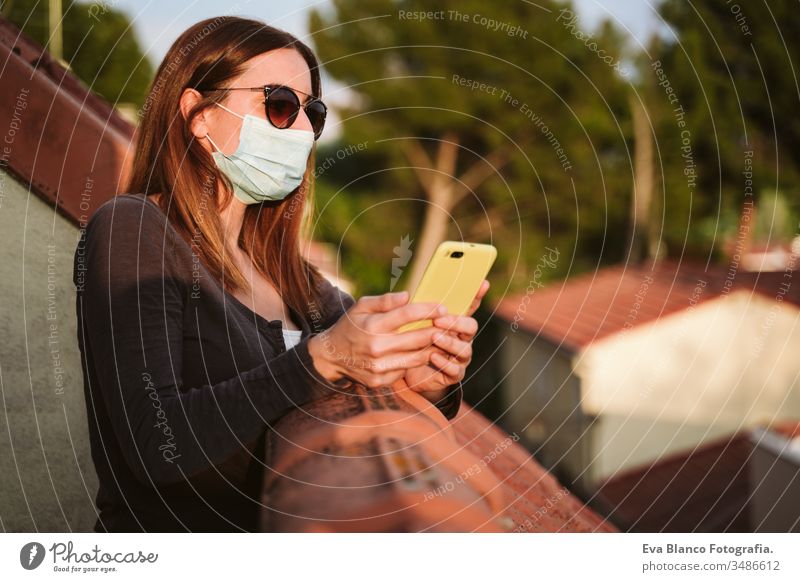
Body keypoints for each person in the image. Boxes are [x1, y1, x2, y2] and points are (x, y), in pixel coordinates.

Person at [73, 16, 489, 532]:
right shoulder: (134, 230)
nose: (302, 131)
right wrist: (322, 358)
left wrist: (426, 384)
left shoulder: (296, 279)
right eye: (279, 105)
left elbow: (359, 361)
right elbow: (159, 446)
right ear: (198, 115)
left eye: (311, 113)